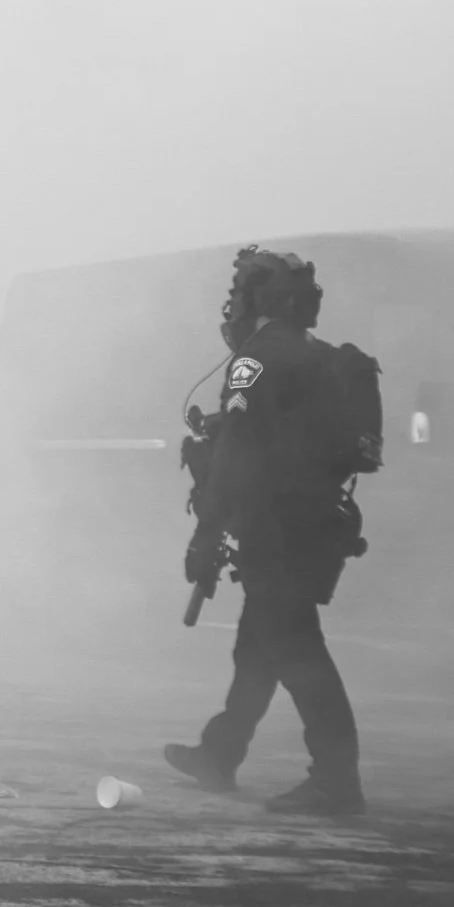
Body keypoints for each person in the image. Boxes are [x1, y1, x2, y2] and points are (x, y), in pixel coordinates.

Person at [165, 248, 375, 816]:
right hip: (313, 527)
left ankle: (336, 783)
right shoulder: (318, 355)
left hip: (275, 533)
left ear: (258, 297)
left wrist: (206, 533)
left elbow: (237, 453)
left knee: (300, 655)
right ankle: (219, 754)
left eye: (240, 290)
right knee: (258, 647)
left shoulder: (255, 361)